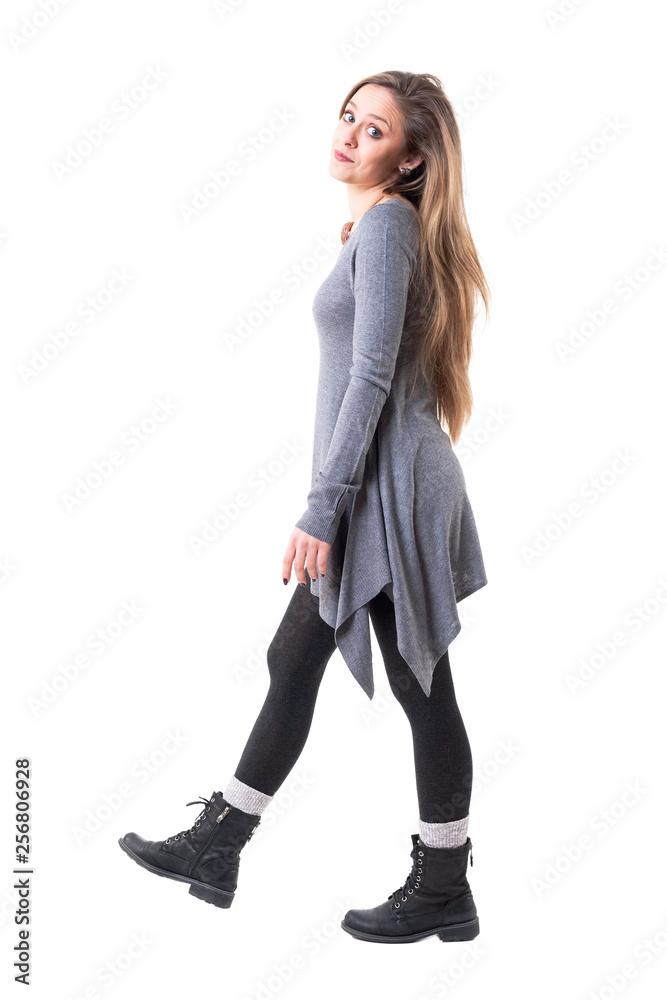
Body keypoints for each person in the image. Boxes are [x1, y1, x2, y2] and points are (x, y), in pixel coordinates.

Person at [118, 69, 491, 946]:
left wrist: (322, 509)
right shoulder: (375, 228)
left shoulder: (388, 227)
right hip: (377, 478)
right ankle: (220, 844)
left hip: (389, 488)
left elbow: (370, 377)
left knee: (418, 682)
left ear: (410, 159)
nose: (349, 134)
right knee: (293, 655)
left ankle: (443, 883)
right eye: (348, 116)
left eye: (374, 129)